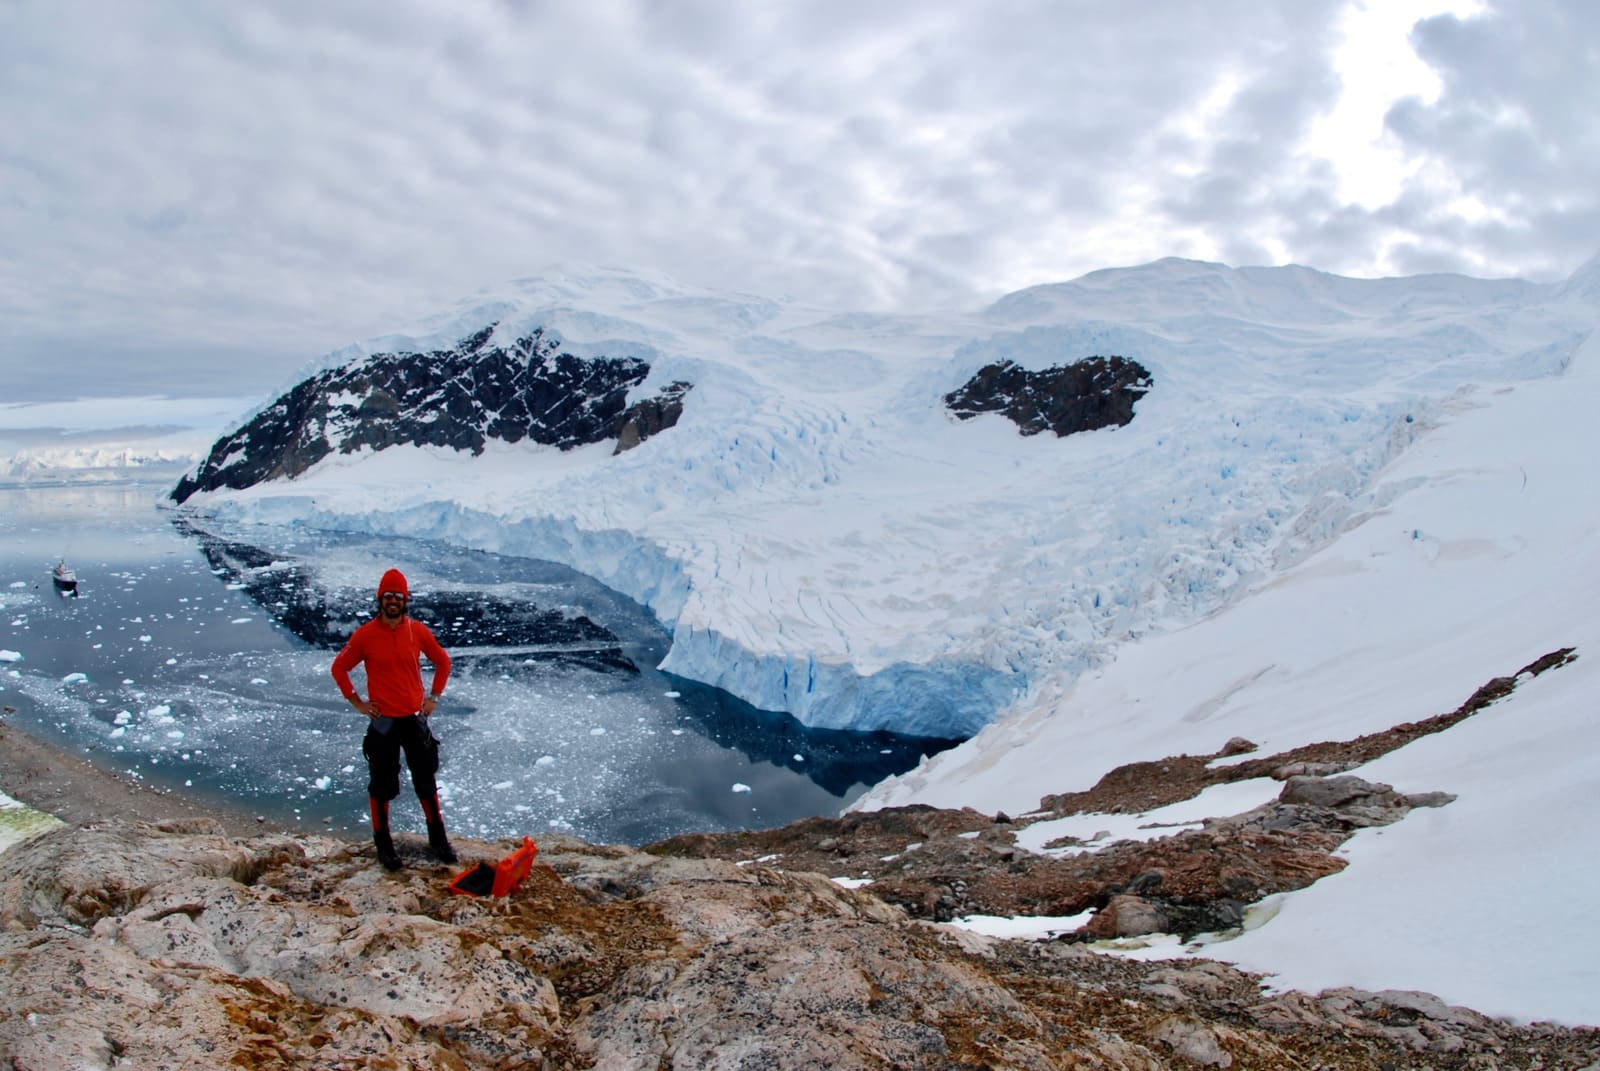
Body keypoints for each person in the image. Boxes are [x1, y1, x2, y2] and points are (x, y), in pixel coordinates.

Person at [331, 567, 457, 870]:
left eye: (398, 596)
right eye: (388, 596)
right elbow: (339, 668)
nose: (393, 601)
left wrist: (434, 697)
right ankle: (383, 844)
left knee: (425, 781)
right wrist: (357, 702)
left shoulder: (416, 631)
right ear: (380, 599)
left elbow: (442, 662)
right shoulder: (365, 636)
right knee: (381, 785)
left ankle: (437, 840)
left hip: (414, 719)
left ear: (405, 600)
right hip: (384, 722)